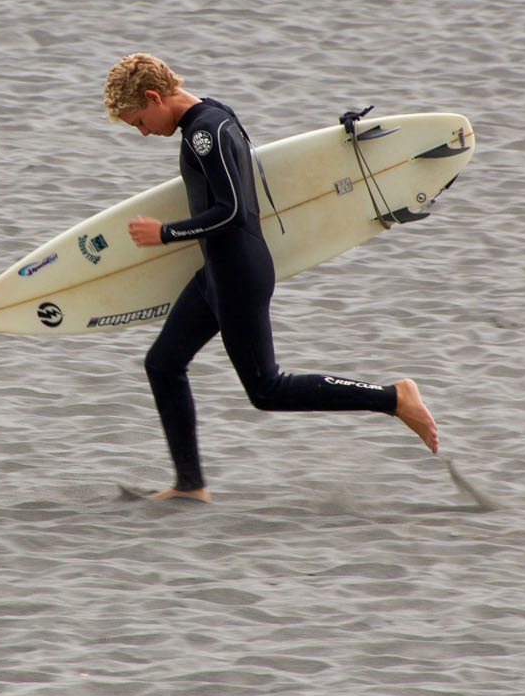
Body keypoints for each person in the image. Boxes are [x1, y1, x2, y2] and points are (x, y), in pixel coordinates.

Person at [103, 53, 439, 501]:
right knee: (162, 363)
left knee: (267, 388)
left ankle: (394, 398)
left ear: (153, 96)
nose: (143, 132)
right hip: (217, 271)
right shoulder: (213, 113)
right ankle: (189, 485)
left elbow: (233, 212)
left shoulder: (204, 134)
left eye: (139, 121)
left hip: (237, 270)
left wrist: (165, 233)